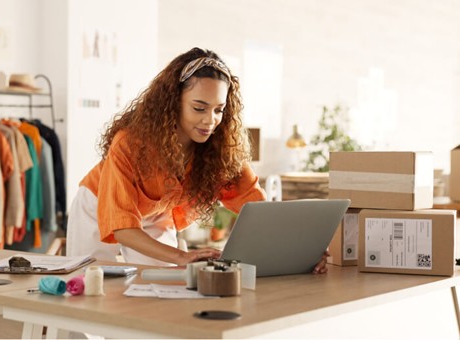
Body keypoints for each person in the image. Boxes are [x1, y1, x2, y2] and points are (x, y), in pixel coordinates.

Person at [67, 47, 329, 273]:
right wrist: (181, 256)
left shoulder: (221, 151)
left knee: (162, 290)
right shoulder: (130, 143)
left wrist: (303, 249)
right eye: (199, 108)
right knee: (87, 282)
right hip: (97, 204)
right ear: (173, 101)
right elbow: (122, 227)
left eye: (219, 110)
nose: (210, 120)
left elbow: (260, 210)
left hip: (155, 215)